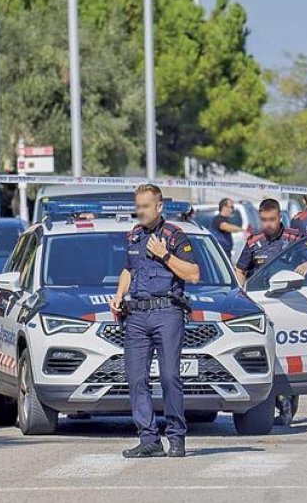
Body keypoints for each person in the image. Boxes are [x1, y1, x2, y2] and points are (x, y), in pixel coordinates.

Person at [110, 184, 201, 459]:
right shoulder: (134, 236)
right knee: (136, 378)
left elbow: (193, 274)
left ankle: (176, 436)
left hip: (167, 313)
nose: (140, 211)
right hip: (136, 315)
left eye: (145, 206)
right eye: (137, 206)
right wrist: (118, 295)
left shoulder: (175, 235)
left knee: (170, 376)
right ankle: (149, 438)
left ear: (159, 207)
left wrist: (164, 255)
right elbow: (128, 268)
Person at [234, 198, 307, 427]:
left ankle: (291, 399)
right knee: (270, 357)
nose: (268, 224)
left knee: (290, 356)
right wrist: (242, 294)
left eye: (272, 219)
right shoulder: (253, 242)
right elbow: (240, 270)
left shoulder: (294, 238)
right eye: (264, 220)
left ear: (280, 217)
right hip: (263, 305)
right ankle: (282, 405)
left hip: (292, 304)